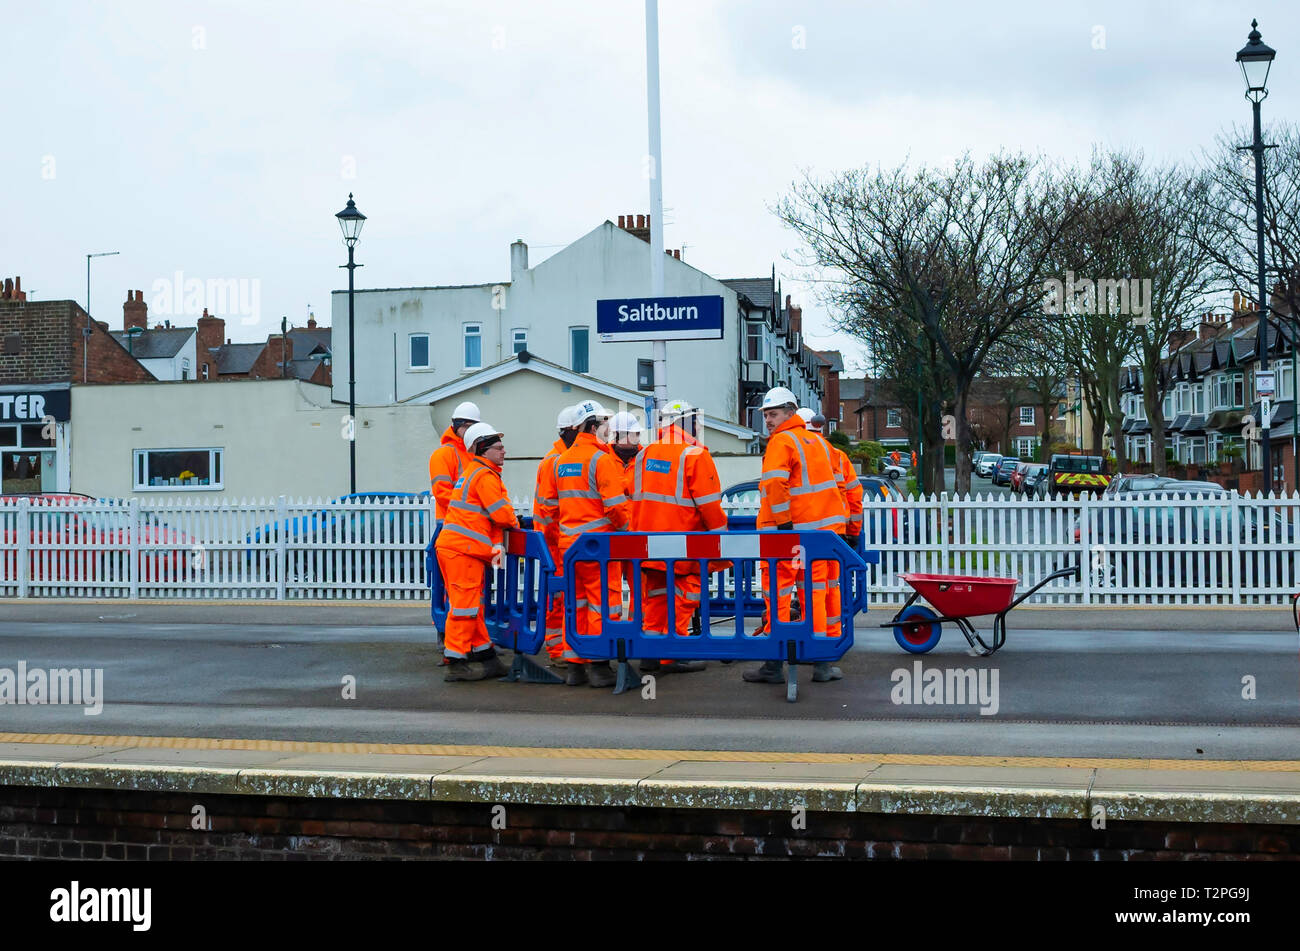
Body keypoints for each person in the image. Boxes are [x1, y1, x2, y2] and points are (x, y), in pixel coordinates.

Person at [743, 388, 848, 686]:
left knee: (776, 598)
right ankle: (822, 664)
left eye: (773, 414)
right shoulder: (819, 443)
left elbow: (776, 485)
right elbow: (838, 488)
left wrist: (784, 524)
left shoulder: (782, 442)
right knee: (816, 597)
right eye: (765, 415)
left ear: (791, 412)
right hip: (819, 538)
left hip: (785, 538)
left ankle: (774, 665)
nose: (768, 421)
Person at [629, 398, 726, 675]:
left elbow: (632, 494)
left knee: (657, 596)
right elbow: (709, 505)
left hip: (646, 543)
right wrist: (722, 543)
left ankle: (651, 651)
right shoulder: (693, 453)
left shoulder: (644, 454)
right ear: (686, 422)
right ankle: (673, 652)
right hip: (683, 543)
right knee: (686, 594)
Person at [433, 421, 519, 682]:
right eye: (499, 447)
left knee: (472, 607)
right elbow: (501, 514)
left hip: (456, 548)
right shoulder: (484, 476)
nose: (504, 451)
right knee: (464, 607)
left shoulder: (472, 473)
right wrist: (516, 522)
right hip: (462, 550)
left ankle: (486, 657)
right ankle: (455, 661)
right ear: (482, 449)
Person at [555, 400, 630, 687]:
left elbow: (551, 505)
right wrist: (628, 532)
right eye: (606, 424)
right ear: (594, 426)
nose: (610, 430)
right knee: (602, 605)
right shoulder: (602, 460)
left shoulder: (562, 460)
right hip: (599, 547)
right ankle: (600, 666)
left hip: (570, 547)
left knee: (576, 605)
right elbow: (615, 507)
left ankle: (575, 667)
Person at [799, 409, 864, 640]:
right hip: (835, 535)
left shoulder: (798, 454)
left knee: (811, 589)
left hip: (806, 535)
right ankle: (832, 636)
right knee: (831, 586)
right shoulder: (837, 455)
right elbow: (855, 495)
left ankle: (815, 642)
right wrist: (853, 531)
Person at [532, 405, 580, 664]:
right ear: (571, 431)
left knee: (562, 598)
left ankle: (560, 647)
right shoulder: (558, 461)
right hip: (557, 544)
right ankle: (558, 650)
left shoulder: (558, 458)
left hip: (556, 542)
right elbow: (552, 510)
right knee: (560, 599)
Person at [428, 401, 481, 525]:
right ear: (457, 426)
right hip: (451, 523)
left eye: (472, 426)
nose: (469, 430)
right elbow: (442, 494)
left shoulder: (475, 453)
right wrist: (474, 509)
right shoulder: (443, 454)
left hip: (472, 522)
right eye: (466, 426)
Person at [607, 411, 644, 496]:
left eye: (638, 434)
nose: (637, 439)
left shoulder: (645, 458)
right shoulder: (604, 458)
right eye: (633, 434)